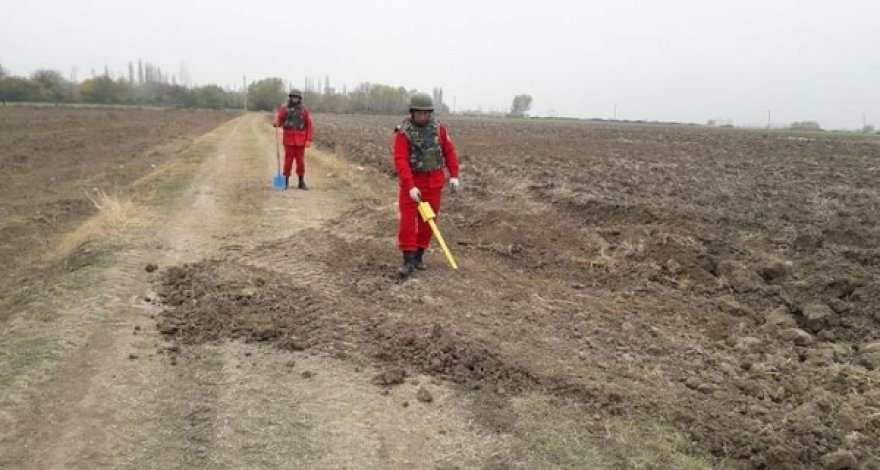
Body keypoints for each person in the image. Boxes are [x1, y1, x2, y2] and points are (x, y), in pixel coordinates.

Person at [392, 92, 461, 278]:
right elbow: (401, 161)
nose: (422, 116)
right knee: (408, 222)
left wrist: (454, 175)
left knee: (428, 222)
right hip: (412, 183)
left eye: (426, 113)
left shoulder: (439, 130)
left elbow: (449, 152)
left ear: (430, 113)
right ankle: (408, 259)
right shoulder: (403, 132)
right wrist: (410, 186)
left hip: (434, 182)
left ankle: (419, 256)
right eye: (419, 113)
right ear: (412, 112)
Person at [272, 89, 314, 190]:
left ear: (299, 99)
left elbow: (309, 126)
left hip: (300, 140)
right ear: (290, 98)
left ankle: (301, 182)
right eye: (293, 97)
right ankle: (285, 182)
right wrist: (276, 123)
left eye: (296, 97)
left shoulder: (304, 111)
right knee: (288, 161)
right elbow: (280, 120)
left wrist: (309, 139)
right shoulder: (284, 109)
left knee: (301, 162)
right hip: (288, 139)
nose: (294, 99)